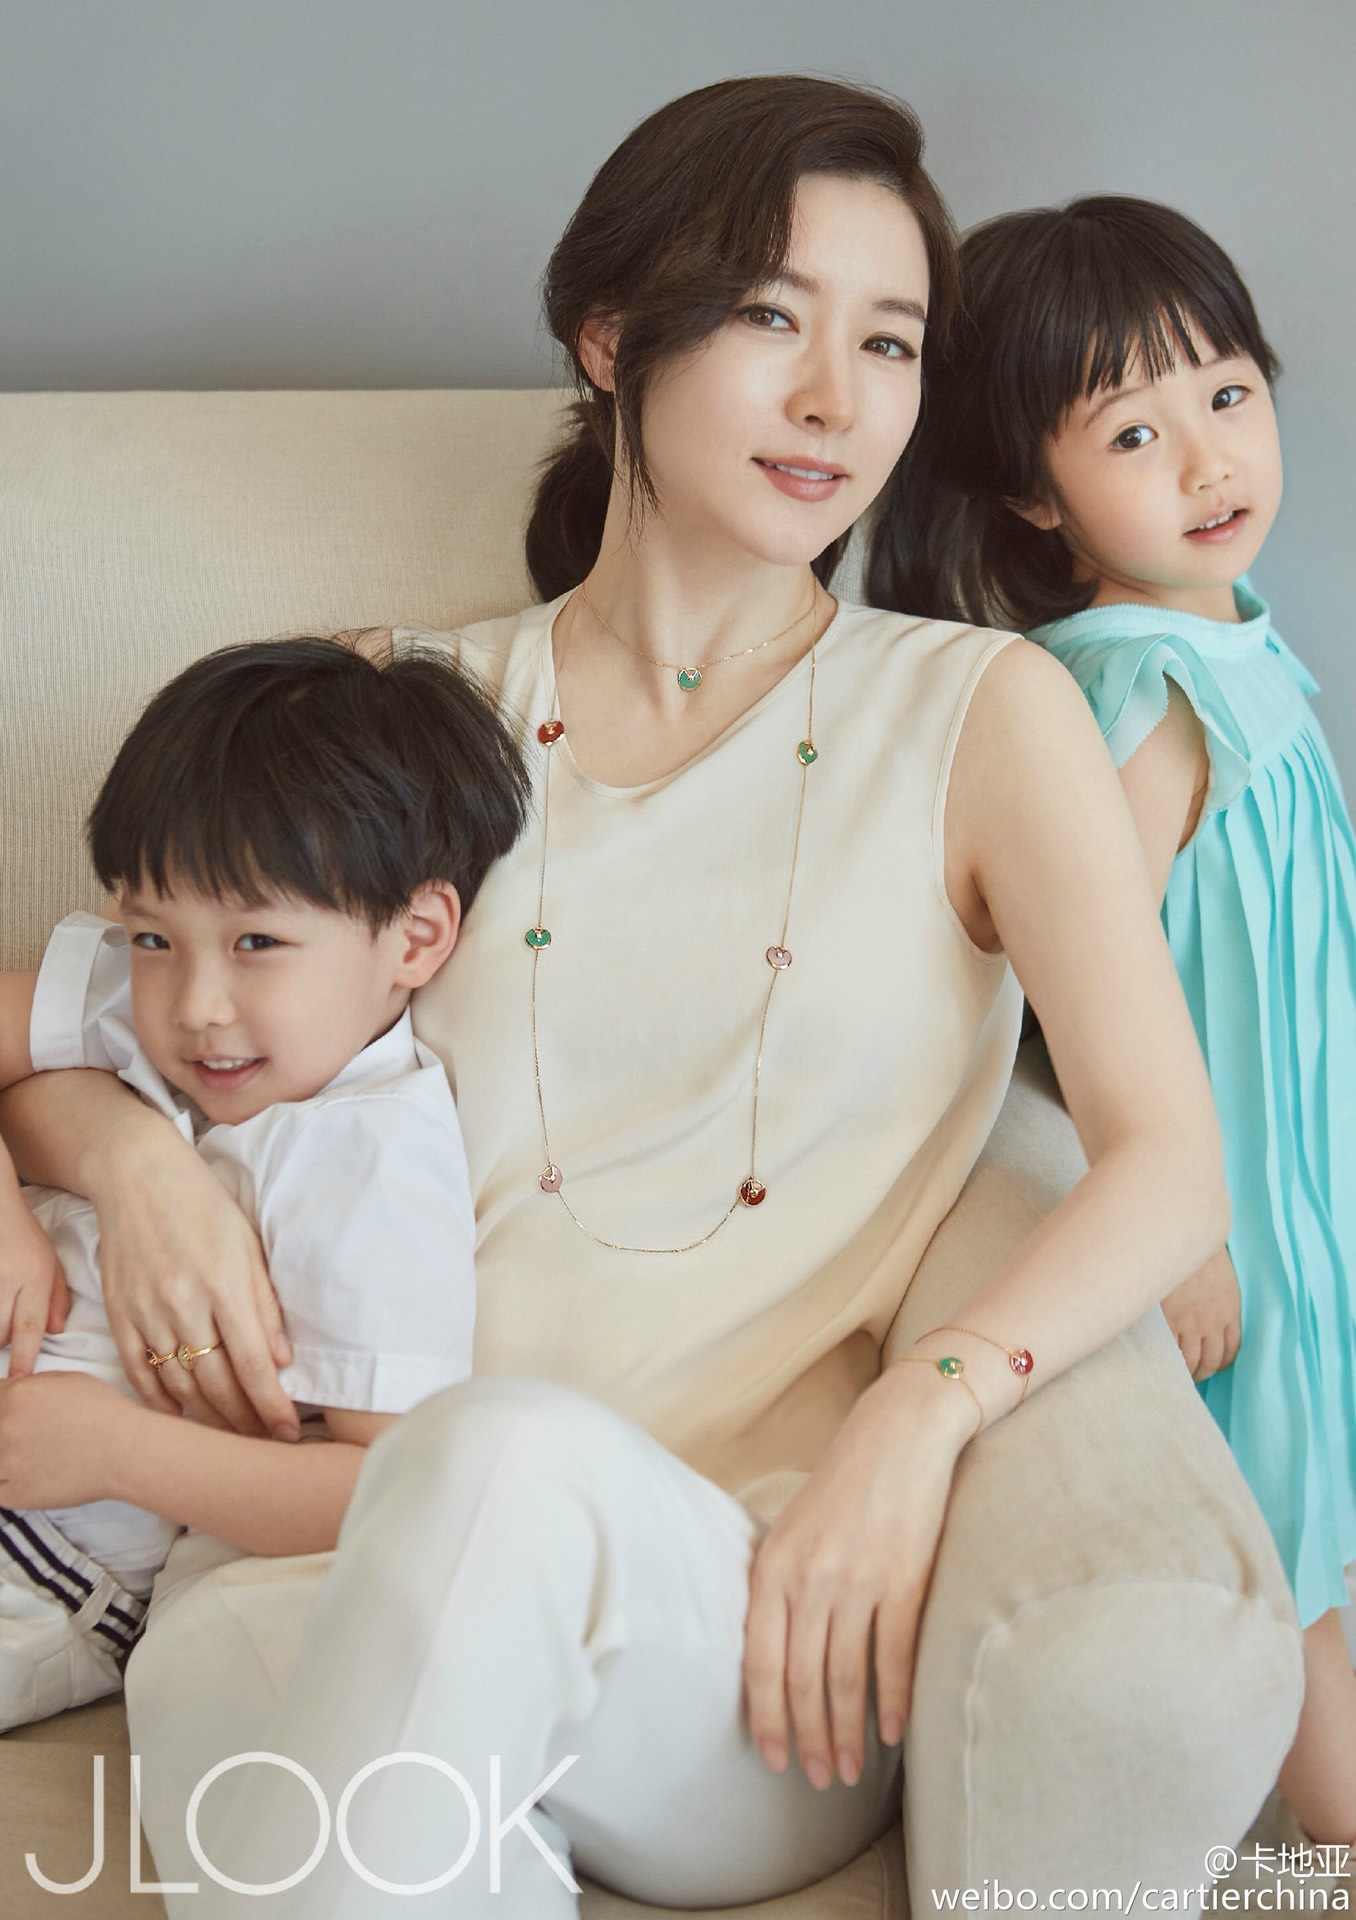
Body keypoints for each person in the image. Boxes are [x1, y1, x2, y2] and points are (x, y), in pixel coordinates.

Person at [0, 80, 1246, 1915]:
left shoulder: (979, 717)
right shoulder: (394, 705)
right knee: (311, 1801)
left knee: (492, 1465)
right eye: (770, 318)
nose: (836, 401)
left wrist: (922, 1416)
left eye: (888, 342)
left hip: (730, 1623)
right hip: (291, 1572)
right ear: (609, 337)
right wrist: (135, 1165)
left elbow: (1164, 1164)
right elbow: (117, 1006)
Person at [873, 193, 1356, 1852]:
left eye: (1228, 394)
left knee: (1326, 1510)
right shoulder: (1136, 689)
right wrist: (1176, 1234)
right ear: (1034, 491)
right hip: (1230, 1200)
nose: (1209, 459)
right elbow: (1082, 993)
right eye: (1134, 434)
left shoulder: (1237, 637)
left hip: (1303, 1175)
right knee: (1286, 1537)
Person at [0, 635, 528, 1730]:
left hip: (43, 1551)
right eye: (153, 934)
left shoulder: (370, 1163)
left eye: (256, 942)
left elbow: (385, 1493)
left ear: (416, 937)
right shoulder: (144, 993)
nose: (194, 1004)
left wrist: (117, 1451)